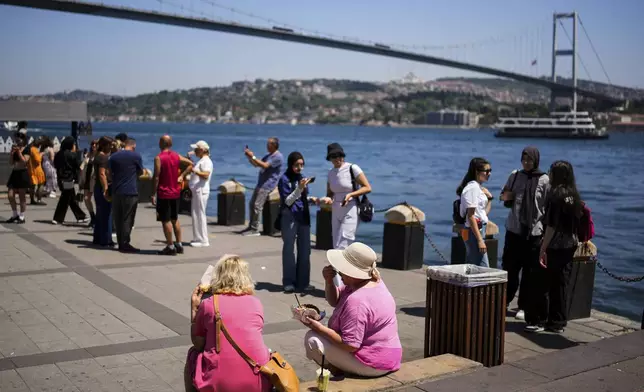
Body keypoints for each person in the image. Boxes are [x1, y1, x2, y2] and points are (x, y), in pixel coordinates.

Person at [302, 242, 402, 377]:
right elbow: (335, 301)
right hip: (389, 356)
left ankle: (339, 371)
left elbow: (350, 345)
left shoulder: (357, 301)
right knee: (321, 335)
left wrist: (318, 328)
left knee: (312, 339)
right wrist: (329, 281)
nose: (339, 271)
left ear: (353, 272)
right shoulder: (371, 281)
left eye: (342, 269)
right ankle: (343, 367)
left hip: (374, 363)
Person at [185, 254, 272, 392]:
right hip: (259, 380)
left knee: (193, 354)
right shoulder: (256, 303)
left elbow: (198, 343)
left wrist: (194, 309)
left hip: (220, 383)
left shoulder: (208, 304)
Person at [524, 160, 582, 334]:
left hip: (555, 245)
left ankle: (539, 320)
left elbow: (551, 225)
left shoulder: (556, 195)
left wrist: (543, 247)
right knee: (561, 284)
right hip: (570, 243)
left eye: (551, 171)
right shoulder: (574, 194)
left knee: (541, 283)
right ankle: (558, 321)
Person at [499, 147, 549, 321]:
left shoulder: (544, 180)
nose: (526, 163)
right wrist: (506, 196)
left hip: (534, 232)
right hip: (514, 229)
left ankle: (523, 306)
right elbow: (503, 195)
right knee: (509, 268)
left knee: (530, 272)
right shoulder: (515, 175)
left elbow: (547, 206)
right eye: (524, 160)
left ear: (536, 160)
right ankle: (504, 300)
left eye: (530, 160)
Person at [277, 152, 319, 293]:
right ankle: (288, 282)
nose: (299, 168)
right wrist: (299, 188)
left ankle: (303, 283)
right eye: (296, 165)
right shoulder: (284, 179)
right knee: (289, 249)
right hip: (289, 217)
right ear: (290, 164)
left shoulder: (301, 178)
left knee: (305, 250)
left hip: (303, 216)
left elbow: (302, 198)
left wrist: (314, 200)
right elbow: (288, 201)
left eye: (301, 165)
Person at [319, 143, 372, 250]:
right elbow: (330, 193)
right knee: (336, 243)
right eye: (334, 156)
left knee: (345, 242)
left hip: (351, 208)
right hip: (336, 210)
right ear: (329, 158)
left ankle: (341, 266)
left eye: (340, 155)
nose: (338, 158)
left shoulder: (352, 168)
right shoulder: (330, 173)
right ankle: (337, 266)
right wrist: (328, 199)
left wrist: (351, 194)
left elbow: (367, 187)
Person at [151, 135, 193, 255]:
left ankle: (170, 246)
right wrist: (182, 175)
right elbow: (190, 164)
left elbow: (156, 177)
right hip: (175, 192)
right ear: (170, 144)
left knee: (166, 220)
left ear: (160, 143)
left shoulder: (158, 158)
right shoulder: (176, 155)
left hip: (164, 193)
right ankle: (179, 244)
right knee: (175, 219)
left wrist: (153, 193)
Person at [241, 137, 284, 236]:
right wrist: (249, 157)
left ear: (274, 145)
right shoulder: (268, 155)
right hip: (261, 183)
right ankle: (251, 226)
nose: (267, 145)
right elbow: (257, 164)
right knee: (252, 204)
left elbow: (265, 165)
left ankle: (255, 229)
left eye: (269, 144)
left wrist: (253, 157)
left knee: (257, 206)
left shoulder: (278, 157)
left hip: (268, 184)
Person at [109, 138, 144, 253]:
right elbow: (140, 172)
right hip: (130, 191)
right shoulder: (136, 156)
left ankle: (120, 242)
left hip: (116, 191)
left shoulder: (114, 156)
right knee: (128, 218)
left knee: (118, 218)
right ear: (133, 146)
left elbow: (109, 173)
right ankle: (125, 243)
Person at [457, 157, 493, 267]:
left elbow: (482, 213)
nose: (489, 174)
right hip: (474, 232)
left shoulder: (478, 187)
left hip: (476, 230)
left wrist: (490, 199)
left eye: (490, 171)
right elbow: (471, 216)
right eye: (486, 171)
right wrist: (480, 240)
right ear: (477, 172)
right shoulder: (473, 188)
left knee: (473, 266)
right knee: (483, 268)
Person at [52, 138, 88, 225]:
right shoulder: (72, 155)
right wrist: (86, 160)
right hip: (68, 179)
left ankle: (80, 216)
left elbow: (55, 164)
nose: (75, 146)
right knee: (64, 199)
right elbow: (80, 167)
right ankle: (57, 218)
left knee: (71, 199)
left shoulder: (59, 154)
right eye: (74, 144)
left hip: (60, 179)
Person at [188, 140, 213, 248]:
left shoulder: (206, 161)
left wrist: (194, 171)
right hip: (197, 190)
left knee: (200, 215)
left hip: (201, 191)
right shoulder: (202, 160)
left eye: (196, 149)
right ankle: (198, 237)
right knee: (196, 214)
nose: (195, 151)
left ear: (202, 150)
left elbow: (206, 175)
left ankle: (204, 240)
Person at [93, 136, 114, 247]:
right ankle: (106, 239)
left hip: (97, 187)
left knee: (100, 213)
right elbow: (102, 174)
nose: (111, 147)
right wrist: (106, 189)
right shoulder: (104, 158)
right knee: (106, 214)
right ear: (105, 145)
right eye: (110, 145)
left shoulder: (97, 156)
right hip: (102, 187)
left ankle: (97, 238)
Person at [5, 134, 30, 223]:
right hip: (15, 173)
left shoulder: (27, 149)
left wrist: (19, 152)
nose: (17, 142)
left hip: (22, 173)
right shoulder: (15, 149)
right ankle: (15, 214)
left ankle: (22, 216)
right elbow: (11, 163)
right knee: (10, 195)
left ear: (23, 140)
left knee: (21, 196)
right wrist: (12, 153)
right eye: (16, 140)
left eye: (19, 140)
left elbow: (24, 162)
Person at [79, 140, 98, 227]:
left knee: (96, 200)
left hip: (95, 180)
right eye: (92, 144)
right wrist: (81, 181)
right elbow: (82, 167)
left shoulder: (99, 155)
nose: (94, 146)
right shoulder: (88, 155)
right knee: (86, 199)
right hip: (87, 180)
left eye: (95, 144)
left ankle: (97, 219)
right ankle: (93, 217)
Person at [27, 137, 46, 205]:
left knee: (32, 186)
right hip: (37, 170)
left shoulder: (29, 149)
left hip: (31, 170)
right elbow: (37, 160)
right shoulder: (34, 150)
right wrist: (41, 154)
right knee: (41, 185)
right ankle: (39, 200)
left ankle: (32, 200)